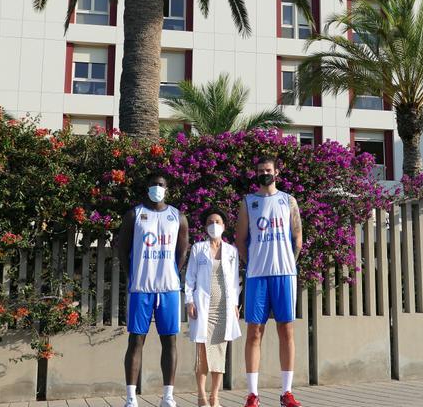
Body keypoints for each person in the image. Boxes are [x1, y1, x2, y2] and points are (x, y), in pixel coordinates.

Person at [114, 172, 190, 407]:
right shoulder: (134, 215)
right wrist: (132, 275)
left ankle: (168, 396)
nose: (157, 187)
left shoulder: (178, 216)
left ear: (167, 189)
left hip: (168, 288)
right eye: (153, 184)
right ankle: (131, 397)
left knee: (170, 342)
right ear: (146, 188)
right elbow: (122, 249)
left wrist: (173, 274)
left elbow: (182, 251)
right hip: (141, 287)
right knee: (136, 340)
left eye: (161, 185)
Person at [235, 156, 303, 407]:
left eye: (269, 170)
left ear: (277, 172)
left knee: (287, 330)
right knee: (254, 332)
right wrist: (252, 262)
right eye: (261, 170)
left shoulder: (288, 201)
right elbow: (240, 240)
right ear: (256, 174)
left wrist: (288, 261)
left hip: (284, 274)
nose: (265, 173)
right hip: (256, 276)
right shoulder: (248, 202)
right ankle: (252, 394)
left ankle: (287, 393)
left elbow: (298, 238)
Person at [184, 208, 242, 407]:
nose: (214, 225)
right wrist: (189, 301)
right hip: (203, 308)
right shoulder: (198, 249)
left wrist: (235, 304)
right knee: (202, 354)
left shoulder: (232, 252)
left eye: (217, 221)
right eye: (210, 222)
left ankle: (215, 396)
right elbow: (190, 277)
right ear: (205, 226)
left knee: (219, 352)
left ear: (224, 226)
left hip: (223, 308)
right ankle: (201, 396)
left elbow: (235, 281)